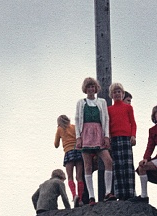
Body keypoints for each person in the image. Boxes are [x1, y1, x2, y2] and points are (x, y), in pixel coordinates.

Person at [75, 76, 116, 204]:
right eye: (88, 87)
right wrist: (78, 137)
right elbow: (77, 120)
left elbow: (106, 119)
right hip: (85, 133)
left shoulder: (102, 102)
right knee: (87, 165)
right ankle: (92, 196)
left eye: (93, 86)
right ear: (85, 89)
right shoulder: (81, 103)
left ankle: (108, 192)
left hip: (99, 132)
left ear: (96, 88)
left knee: (108, 161)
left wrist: (106, 136)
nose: (91, 89)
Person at [107, 82, 137, 200]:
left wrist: (133, 135)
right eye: (115, 92)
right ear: (111, 95)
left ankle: (130, 193)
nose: (117, 94)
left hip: (126, 139)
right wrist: (108, 137)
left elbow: (133, 123)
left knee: (128, 165)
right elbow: (108, 125)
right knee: (118, 166)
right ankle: (120, 194)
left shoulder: (128, 108)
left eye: (119, 92)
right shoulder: (109, 109)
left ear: (123, 93)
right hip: (114, 139)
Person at [54, 115, 84, 207]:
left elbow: (56, 144)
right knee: (79, 177)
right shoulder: (74, 127)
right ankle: (81, 199)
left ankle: (74, 195)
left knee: (70, 177)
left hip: (68, 152)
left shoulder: (60, 129)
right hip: (78, 151)